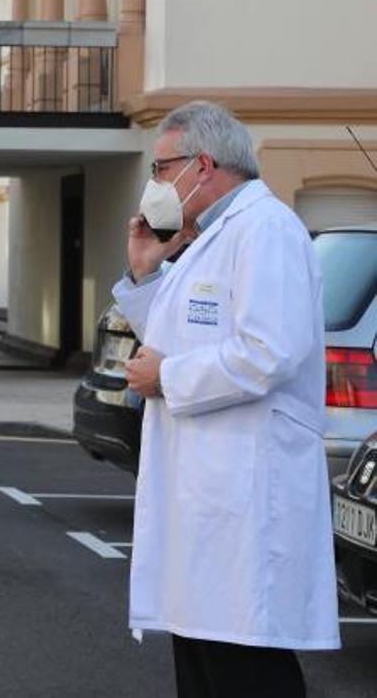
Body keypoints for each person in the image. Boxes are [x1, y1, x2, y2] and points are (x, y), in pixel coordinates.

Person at [112, 101, 338, 697]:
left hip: (244, 498)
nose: (153, 186)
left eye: (161, 169)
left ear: (203, 165)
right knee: (206, 664)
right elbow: (175, 339)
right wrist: (145, 275)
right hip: (207, 504)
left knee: (246, 673)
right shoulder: (211, 239)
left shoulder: (267, 230)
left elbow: (269, 351)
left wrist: (168, 378)